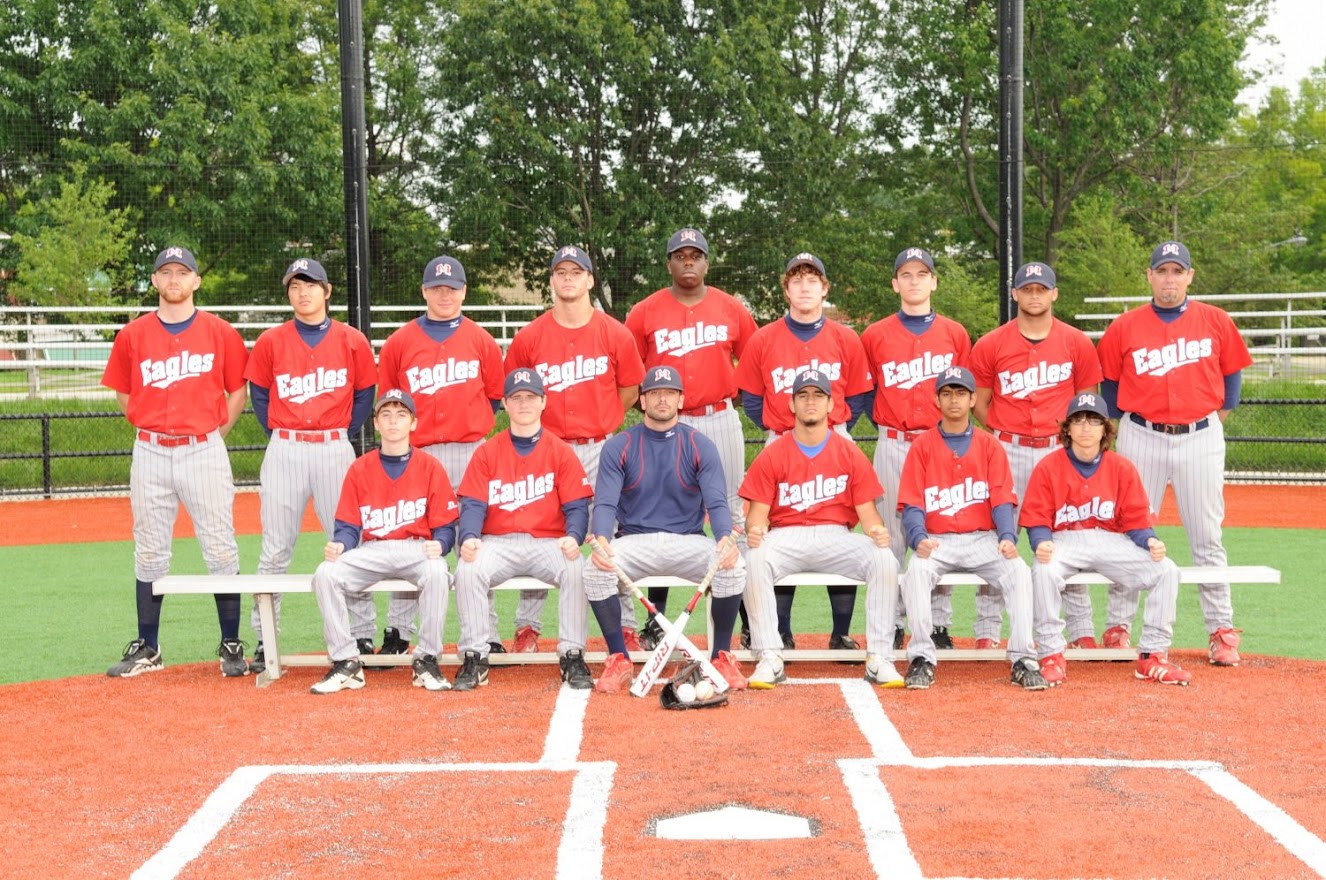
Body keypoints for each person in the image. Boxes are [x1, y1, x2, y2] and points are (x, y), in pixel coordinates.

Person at [1096, 241, 1253, 665]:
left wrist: (1208, 422)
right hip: (1141, 434)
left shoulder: (1215, 320)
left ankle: (1220, 629)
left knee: (1206, 534)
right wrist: (1124, 425)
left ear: (1190, 276)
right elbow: (1109, 385)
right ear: (1148, 276)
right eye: (1161, 271)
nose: (1169, 279)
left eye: (1176, 271)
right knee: (1130, 529)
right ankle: (1119, 624)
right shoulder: (1125, 326)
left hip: (1200, 434)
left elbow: (1232, 379)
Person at [101, 247, 251, 678]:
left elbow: (237, 392)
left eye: (181, 272)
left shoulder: (220, 332)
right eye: (165, 272)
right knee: (149, 549)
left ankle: (230, 642)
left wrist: (214, 435)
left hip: (203, 448)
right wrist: (146, 425)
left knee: (220, 545)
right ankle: (148, 645)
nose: (173, 279)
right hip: (150, 449)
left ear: (196, 281)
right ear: (154, 281)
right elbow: (124, 392)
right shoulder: (133, 335)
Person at [504, 245, 646, 652]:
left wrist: (601, 422)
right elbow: (515, 392)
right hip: (546, 450)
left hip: (601, 448)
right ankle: (528, 626)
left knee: (610, 535)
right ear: (551, 281)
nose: (568, 278)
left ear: (589, 280)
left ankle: (626, 626)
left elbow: (630, 390)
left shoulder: (614, 332)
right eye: (560, 271)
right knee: (544, 531)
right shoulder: (531, 336)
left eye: (576, 271)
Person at [243, 258, 379, 673]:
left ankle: (362, 634)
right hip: (285, 447)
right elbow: (260, 395)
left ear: (327, 290)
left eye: (311, 285)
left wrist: (338, 430)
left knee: (347, 544)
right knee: (275, 548)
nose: (303, 293)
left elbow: (365, 394)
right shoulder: (271, 341)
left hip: (334, 447)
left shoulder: (351, 340)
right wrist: (283, 432)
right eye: (295, 286)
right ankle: (266, 638)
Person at [734, 252, 874, 652]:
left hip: (835, 436)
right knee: (778, 528)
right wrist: (778, 427)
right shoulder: (764, 338)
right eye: (797, 279)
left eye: (813, 279)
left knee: (839, 526)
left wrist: (836, 425)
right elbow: (752, 400)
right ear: (786, 289)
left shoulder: (846, 338)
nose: (805, 286)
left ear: (824, 288)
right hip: (782, 438)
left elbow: (862, 396)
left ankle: (840, 631)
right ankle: (780, 631)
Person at [624, 228, 757, 645]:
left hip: (719, 416)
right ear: (668, 263)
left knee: (734, 514)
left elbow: (753, 367)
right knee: (658, 514)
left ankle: (749, 614)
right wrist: (647, 412)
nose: (687, 261)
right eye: (679, 255)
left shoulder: (732, 309)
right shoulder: (643, 312)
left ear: (706, 262)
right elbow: (628, 374)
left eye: (695, 254)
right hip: (666, 424)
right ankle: (654, 620)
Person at [739, 369, 912, 689]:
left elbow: (868, 514)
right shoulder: (773, 453)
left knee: (884, 559)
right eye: (803, 396)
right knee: (753, 558)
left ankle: (880, 656)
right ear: (791, 405)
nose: (810, 402)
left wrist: (877, 532)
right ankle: (769, 655)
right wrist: (755, 529)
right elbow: (758, 515)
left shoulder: (848, 452)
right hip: (786, 534)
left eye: (818, 395)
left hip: (836, 534)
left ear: (831, 404)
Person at [583, 366, 748, 693]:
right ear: (642, 401)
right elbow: (605, 502)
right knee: (594, 569)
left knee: (735, 565)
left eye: (669, 393)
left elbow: (716, 502)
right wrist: (601, 537)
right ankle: (619, 657)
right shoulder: (620, 446)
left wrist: (726, 537)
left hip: (687, 541)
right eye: (654, 393)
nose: (662, 398)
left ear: (680, 399)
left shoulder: (700, 444)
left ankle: (720, 657)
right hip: (634, 541)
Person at [967, 260, 1104, 650]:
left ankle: (1080, 630)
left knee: (1067, 537)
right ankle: (987, 631)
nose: (1033, 295)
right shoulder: (992, 343)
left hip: (1058, 450)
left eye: (1041, 289)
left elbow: (1087, 402)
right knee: (999, 538)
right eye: (1026, 290)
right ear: (1015, 294)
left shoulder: (1076, 342)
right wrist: (1001, 433)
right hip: (1008, 448)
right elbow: (981, 402)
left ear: (1054, 294)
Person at [376, 255, 505, 658]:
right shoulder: (400, 342)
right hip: (420, 452)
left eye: (451, 288)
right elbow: (389, 400)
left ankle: (487, 633)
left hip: (472, 450)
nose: (444, 295)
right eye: (436, 288)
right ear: (424, 292)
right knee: (410, 535)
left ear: (464, 291)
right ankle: (398, 630)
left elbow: (496, 397)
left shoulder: (482, 340)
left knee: (477, 541)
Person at [1022, 392, 1191, 686]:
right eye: (1079, 421)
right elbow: (1036, 516)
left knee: (1166, 570)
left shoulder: (1121, 467)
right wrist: (1041, 541)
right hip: (1066, 540)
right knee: (1043, 570)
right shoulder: (1048, 466)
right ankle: (1051, 654)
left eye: (1094, 421)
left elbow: (1136, 519)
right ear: (1068, 429)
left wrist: (1149, 540)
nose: (1086, 428)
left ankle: (1152, 656)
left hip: (1111, 541)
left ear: (1105, 429)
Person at [895, 366, 1047, 691]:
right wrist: (918, 538)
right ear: (937, 400)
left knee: (1018, 571)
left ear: (972, 398)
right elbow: (911, 504)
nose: (954, 400)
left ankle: (1023, 657)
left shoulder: (990, 445)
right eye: (947, 393)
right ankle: (922, 656)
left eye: (961, 393)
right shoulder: (922, 446)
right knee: (917, 572)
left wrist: (1007, 537)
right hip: (937, 539)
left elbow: (1002, 500)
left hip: (983, 539)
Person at [452, 368, 596, 691]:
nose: (524, 404)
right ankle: (475, 655)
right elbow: (472, 504)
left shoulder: (560, 451)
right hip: (497, 542)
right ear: (504, 403)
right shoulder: (488, 451)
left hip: (547, 542)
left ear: (543, 402)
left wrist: (573, 536)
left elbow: (576, 506)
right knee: (467, 569)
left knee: (575, 567)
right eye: (516, 398)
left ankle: (572, 653)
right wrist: (471, 537)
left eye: (530, 397)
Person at [308, 389, 459, 694]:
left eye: (401, 415)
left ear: (413, 423)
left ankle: (427, 659)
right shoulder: (359, 468)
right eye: (386, 415)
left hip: (415, 547)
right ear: (376, 423)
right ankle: (346, 662)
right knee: (325, 573)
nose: (393, 421)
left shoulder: (430, 466)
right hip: (372, 549)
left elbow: (445, 525)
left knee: (437, 572)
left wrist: (441, 544)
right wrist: (341, 544)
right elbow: (349, 526)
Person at [860, 246, 972, 649]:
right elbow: (864, 394)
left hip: (940, 444)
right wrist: (892, 425)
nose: (914, 281)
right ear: (895, 284)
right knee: (890, 536)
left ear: (934, 282)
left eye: (921, 274)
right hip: (893, 441)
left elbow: (964, 391)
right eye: (905, 274)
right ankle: (890, 623)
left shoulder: (955, 333)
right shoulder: (874, 335)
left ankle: (937, 625)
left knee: (937, 533)